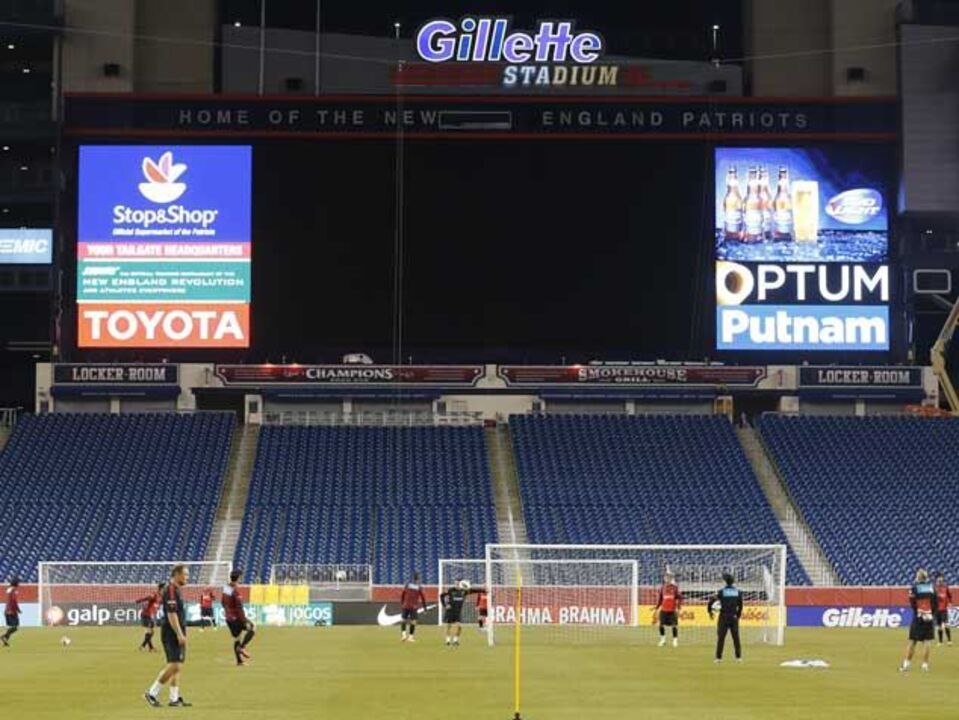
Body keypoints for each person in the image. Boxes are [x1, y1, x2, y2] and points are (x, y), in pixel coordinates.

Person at [144, 565, 192, 707]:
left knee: (177, 665)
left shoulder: (176, 590)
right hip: (172, 631)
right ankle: (151, 692)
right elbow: (171, 614)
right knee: (175, 664)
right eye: (185, 574)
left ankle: (174, 698)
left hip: (176, 630)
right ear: (177, 574)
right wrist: (179, 633)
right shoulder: (171, 590)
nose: (187, 577)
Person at [901, 568, 938, 672]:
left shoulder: (914, 588)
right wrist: (931, 613)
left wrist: (919, 612)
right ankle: (925, 665)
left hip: (918, 616)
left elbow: (912, 603)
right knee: (927, 642)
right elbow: (936, 603)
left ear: (918, 577)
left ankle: (906, 664)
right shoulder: (932, 588)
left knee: (913, 641)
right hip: (929, 617)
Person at [708, 572, 743, 663]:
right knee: (736, 638)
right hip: (733, 616)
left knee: (721, 638)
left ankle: (718, 658)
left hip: (724, 616)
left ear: (725, 582)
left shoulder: (721, 591)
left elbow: (712, 600)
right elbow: (741, 605)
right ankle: (738, 657)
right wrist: (738, 615)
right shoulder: (737, 592)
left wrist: (710, 611)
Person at [222, 570, 255, 666]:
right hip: (236, 618)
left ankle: (239, 661)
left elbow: (223, 603)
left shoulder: (226, 588)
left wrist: (228, 611)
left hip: (228, 619)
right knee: (252, 627)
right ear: (239, 578)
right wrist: (244, 621)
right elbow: (239, 609)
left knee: (237, 638)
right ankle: (242, 647)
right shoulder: (235, 592)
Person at [440, 581, 483, 647]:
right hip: (450, 611)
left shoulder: (463, 591)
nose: (457, 585)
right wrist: (445, 605)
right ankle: (448, 641)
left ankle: (455, 640)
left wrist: (484, 590)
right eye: (456, 584)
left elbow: (474, 591)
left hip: (458, 612)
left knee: (459, 626)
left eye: (458, 584)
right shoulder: (451, 590)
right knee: (449, 626)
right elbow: (441, 595)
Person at [652, 571, 683, 647]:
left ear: (671, 578)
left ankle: (675, 641)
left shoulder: (675, 588)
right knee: (661, 625)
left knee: (674, 626)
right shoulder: (662, 588)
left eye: (669, 577)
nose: (667, 579)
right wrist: (656, 608)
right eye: (666, 577)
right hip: (664, 610)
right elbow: (660, 599)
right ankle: (663, 640)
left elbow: (680, 598)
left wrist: (678, 608)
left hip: (672, 610)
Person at [135, 582, 164, 652]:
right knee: (150, 632)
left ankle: (150, 648)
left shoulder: (161, 597)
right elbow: (149, 597)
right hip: (146, 614)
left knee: (150, 632)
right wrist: (139, 600)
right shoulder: (155, 594)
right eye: (164, 589)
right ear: (161, 589)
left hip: (151, 615)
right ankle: (143, 646)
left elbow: (163, 603)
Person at [399, 572, 427, 643]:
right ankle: (410, 637)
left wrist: (402, 603)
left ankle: (404, 635)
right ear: (418, 578)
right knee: (413, 621)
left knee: (403, 620)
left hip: (406, 605)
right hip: (413, 606)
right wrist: (424, 608)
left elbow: (403, 594)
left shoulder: (408, 585)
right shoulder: (419, 587)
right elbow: (423, 597)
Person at [2, 577, 21, 647]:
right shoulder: (14, 590)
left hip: (7, 611)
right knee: (15, 627)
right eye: (18, 583)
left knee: (13, 627)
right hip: (12, 611)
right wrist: (17, 609)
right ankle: (4, 636)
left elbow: (10, 600)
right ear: (16, 583)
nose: (19, 584)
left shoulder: (9, 589)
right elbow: (14, 601)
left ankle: (5, 641)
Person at [934, 573, 952, 646]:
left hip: (944, 609)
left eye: (941, 579)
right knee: (939, 626)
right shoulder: (934, 588)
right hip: (937, 610)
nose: (940, 580)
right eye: (939, 579)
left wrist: (950, 603)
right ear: (936, 580)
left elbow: (950, 596)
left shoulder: (946, 587)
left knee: (946, 625)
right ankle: (940, 642)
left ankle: (949, 640)